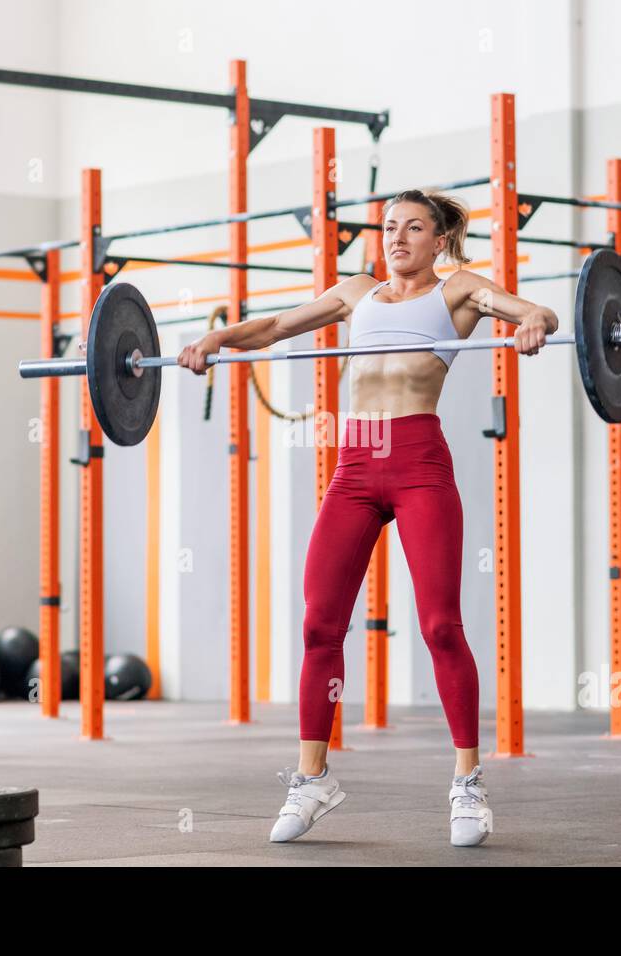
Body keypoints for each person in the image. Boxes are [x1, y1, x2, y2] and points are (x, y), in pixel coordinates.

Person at [177, 189, 558, 847]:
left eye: (414, 227)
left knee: (441, 624)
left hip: (417, 461)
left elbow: (536, 309)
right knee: (320, 623)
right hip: (355, 466)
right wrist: (217, 337)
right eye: (389, 227)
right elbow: (273, 328)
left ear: (440, 240)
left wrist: (535, 324)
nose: (399, 237)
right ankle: (311, 778)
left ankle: (467, 783)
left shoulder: (460, 290)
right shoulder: (357, 292)